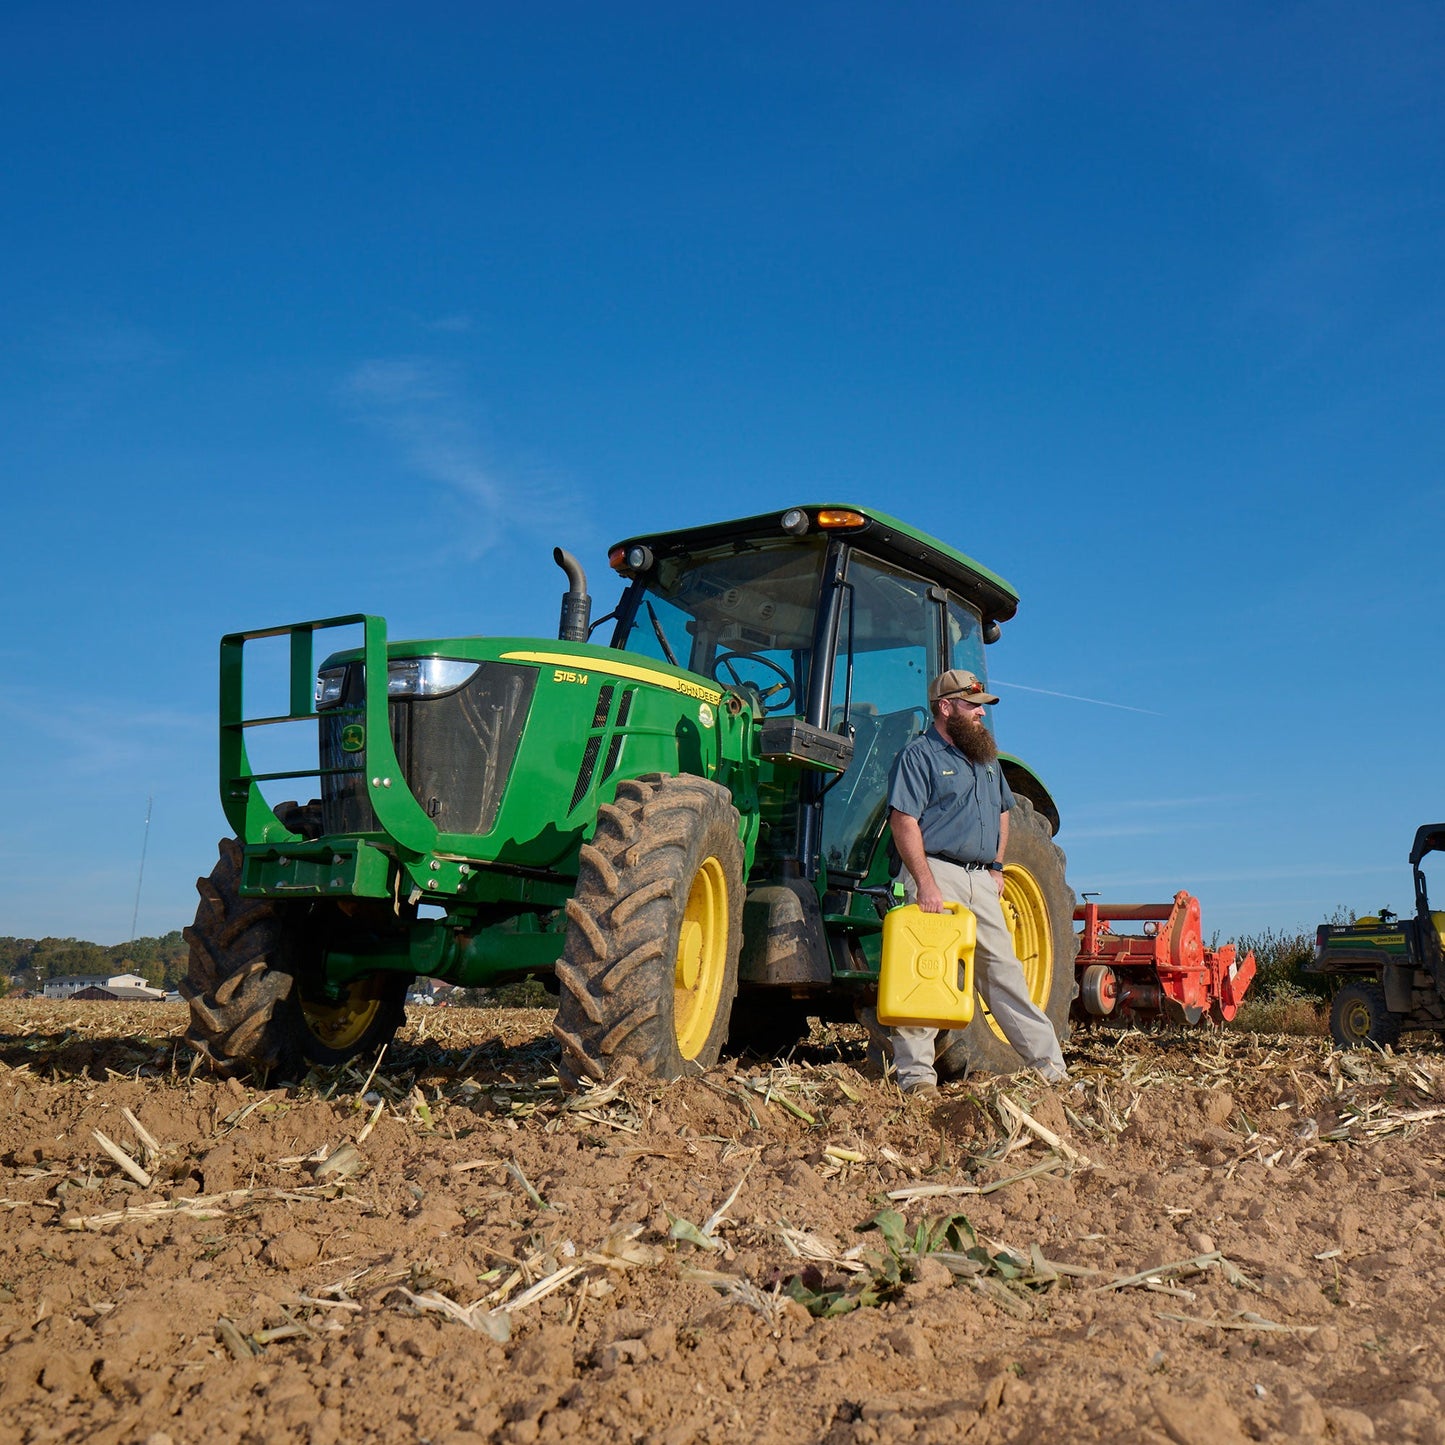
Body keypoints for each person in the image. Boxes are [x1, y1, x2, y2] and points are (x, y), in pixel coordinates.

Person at [884, 668, 1068, 1096]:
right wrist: (925, 883)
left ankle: (1052, 1071)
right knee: (926, 973)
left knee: (1006, 977)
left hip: (980, 880)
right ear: (946, 708)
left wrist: (998, 867)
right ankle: (917, 1079)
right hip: (937, 875)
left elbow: (1003, 811)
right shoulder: (919, 756)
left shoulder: (986, 760)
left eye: (982, 706)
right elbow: (903, 821)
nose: (981, 713)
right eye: (972, 706)